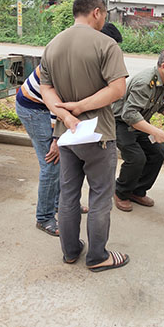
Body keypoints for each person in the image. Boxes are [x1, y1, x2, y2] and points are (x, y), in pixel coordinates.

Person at [41, 0, 130, 272]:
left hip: (67, 134)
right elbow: (118, 89)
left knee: (68, 195)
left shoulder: (52, 45)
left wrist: (66, 115)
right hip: (98, 133)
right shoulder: (106, 44)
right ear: (97, 12)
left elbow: (46, 89)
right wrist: (80, 107)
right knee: (100, 196)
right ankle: (97, 256)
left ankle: (70, 251)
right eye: (104, 14)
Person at [15, 22, 123, 236]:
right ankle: (44, 217)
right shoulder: (70, 58)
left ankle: (60, 204)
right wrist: (57, 138)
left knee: (62, 162)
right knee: (52, 162)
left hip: (51, 108)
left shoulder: (87, 57)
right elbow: (56, 102)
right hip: (34, 107)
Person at [112, 46, 164, 212]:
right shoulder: (145, 82)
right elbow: (129, 115)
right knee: (136, 158)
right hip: (121, 123)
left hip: (140, 122)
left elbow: (163, 104)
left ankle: (137, 191)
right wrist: (154, 131)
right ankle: (121, 192)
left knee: (158, 153)